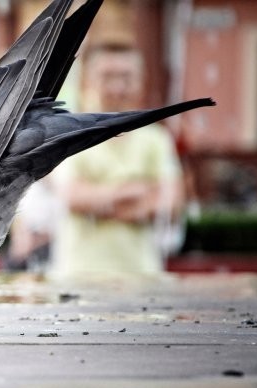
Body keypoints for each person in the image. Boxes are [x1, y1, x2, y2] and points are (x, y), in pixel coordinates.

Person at [48, 44, 185, 279]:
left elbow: (171, 203)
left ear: (141, 81)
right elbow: (71, 196)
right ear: (87, 82)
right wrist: (136, 191)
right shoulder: (68, 133)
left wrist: (99, 199)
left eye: (127, 77)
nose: (118, 87)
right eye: (108, 77)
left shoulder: (157, 140)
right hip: (78, 279)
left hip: (144, 277)